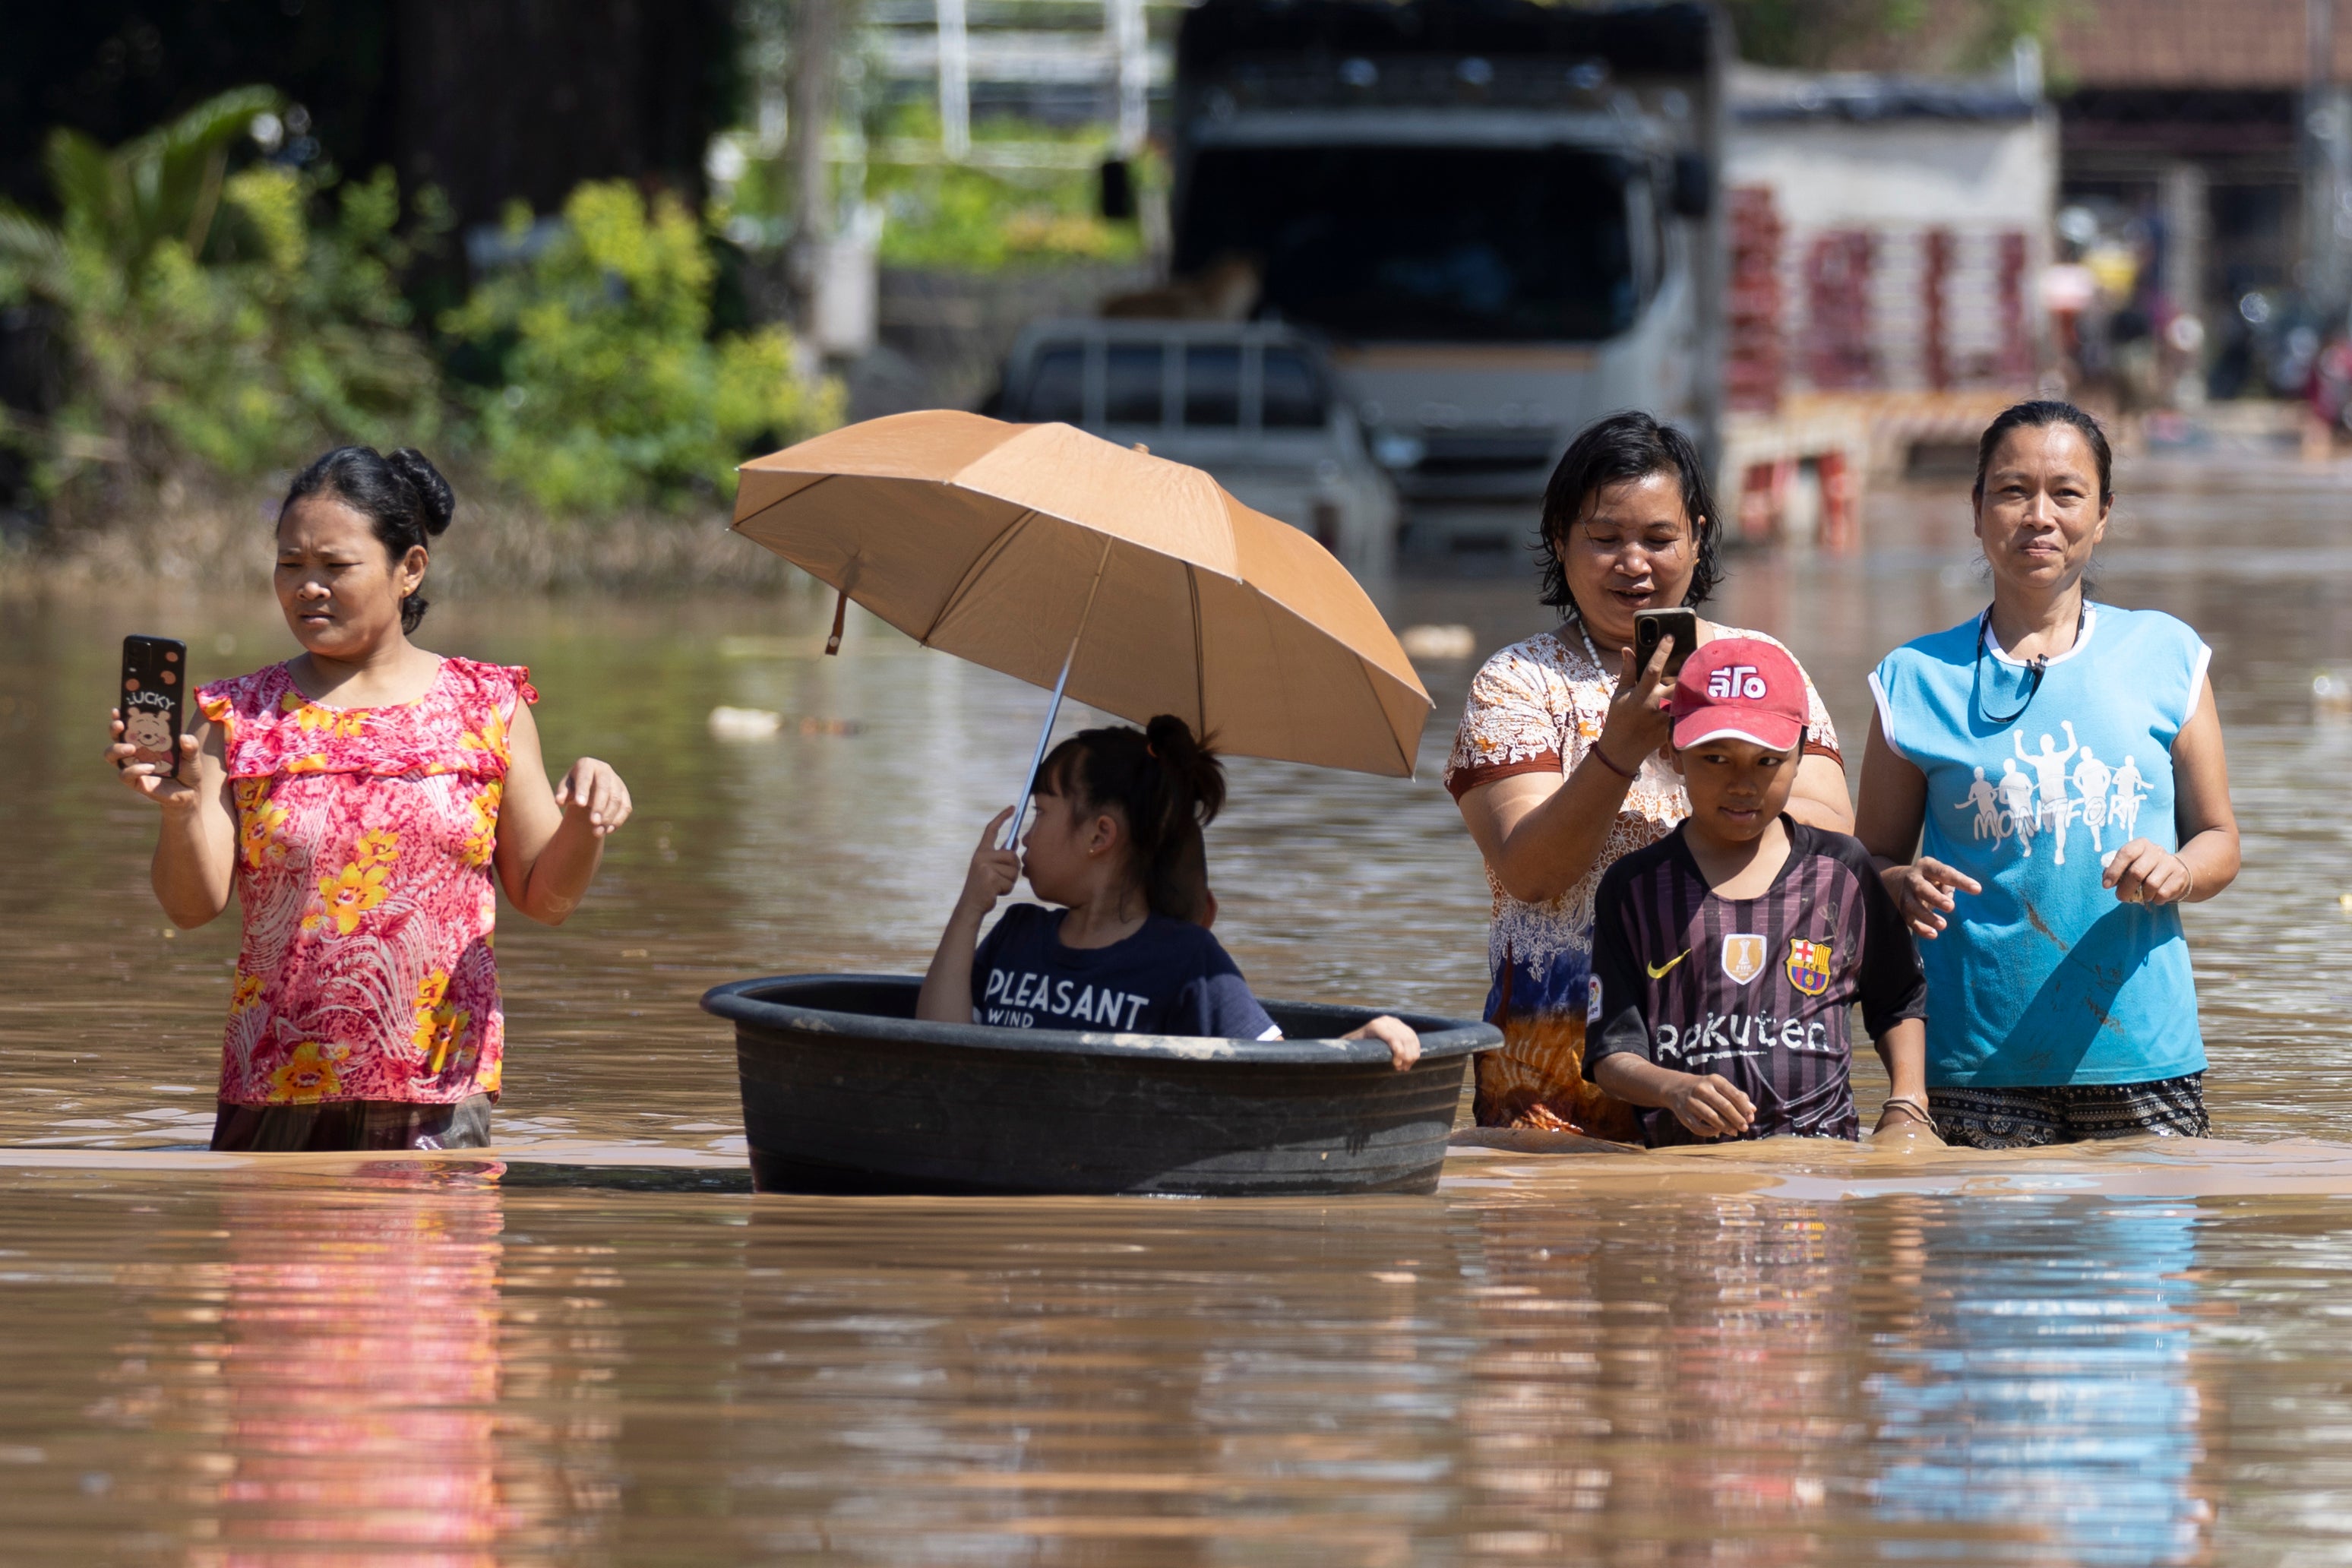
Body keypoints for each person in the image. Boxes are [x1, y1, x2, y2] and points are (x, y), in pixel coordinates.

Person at [104, 446, 633, 1152]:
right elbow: (191, 908)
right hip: (275, 1087)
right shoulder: (237, 716)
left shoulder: (487, 707)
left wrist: (586, 823)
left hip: (438, 1092)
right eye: (290, 565)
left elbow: (545, 899)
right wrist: (179, 810)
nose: (307, 587)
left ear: (409, 568)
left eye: (335, 566)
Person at [1446, 412, 1853, 1138]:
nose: (1633, 563)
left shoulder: (1762, 668)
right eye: (1605, 539)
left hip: (1733, 1046)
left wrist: (1719, 773)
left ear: (1697, 537)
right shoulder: (1516, 683)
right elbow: (1530, 871)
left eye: (1658, 539)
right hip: (1554, 1056)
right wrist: (1621, 750)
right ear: (1559, 542)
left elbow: (1829, 849)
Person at [1855, 401, 2240, 1148]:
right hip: (1974, 1064)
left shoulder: (2168, 655)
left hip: (2143, 1055)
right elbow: (1865, 861)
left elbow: (2220, 839)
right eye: (2011, 491)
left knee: (2147, 1260)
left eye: (2066, 493)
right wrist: (1895, 887)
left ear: (2102, 515)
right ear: (1975, 511)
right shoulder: (1913, 680)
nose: (2038, 515)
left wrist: (2177, 870)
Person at [918, 715, 1421, 1067]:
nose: (1023, 836)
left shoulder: (1186, 959)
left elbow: (1278, 1070)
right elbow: (937, 1049)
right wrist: (968, 910)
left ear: (1100, 835)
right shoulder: (1016, 934)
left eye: (1041, 812)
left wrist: (1362, 1039)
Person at [1585, 639, 1930, 1146]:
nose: (1743, 783)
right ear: (1672, 750)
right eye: (1716, 758)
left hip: (1820, 1174)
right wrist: (1673, 1088)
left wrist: (1908, 1101)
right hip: (1689, 1181)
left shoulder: (1843, 872)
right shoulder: (1633, 889)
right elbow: (1610, 1054)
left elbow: (1898, 999)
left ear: (1800, 755)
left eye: (1767, 761)